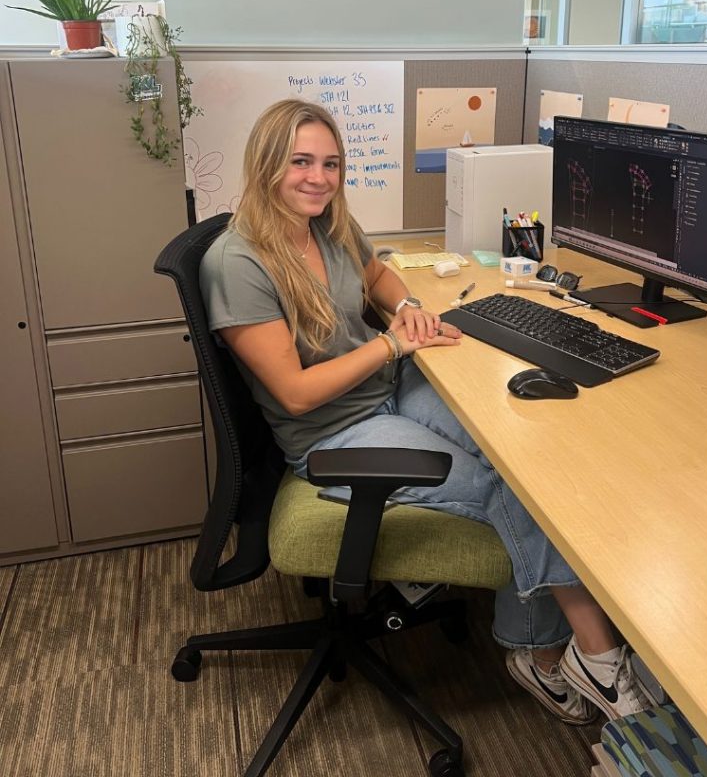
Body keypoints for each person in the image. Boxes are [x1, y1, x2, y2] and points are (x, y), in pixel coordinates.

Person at [199, 99, 653, 724]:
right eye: (300, 162)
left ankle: (557, 650)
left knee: (522, 445)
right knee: (517, 488)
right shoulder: (237, 261)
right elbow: (297, 394)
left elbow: (376, 272)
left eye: (331, 164)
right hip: (334, 431)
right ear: (266, 164)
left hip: (385, 388)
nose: (319, 178)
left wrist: (410, 305)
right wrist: (390, 343)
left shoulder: (325, 224)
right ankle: (567, 657)